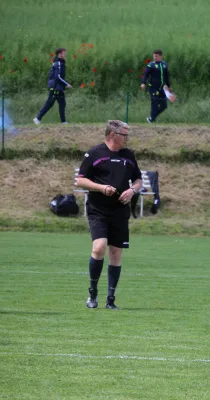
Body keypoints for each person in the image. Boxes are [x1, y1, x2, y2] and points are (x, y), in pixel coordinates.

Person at [76, 120, 143, 310]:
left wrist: (132, 190)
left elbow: (138, 179)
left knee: (115, 252)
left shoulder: (128, 155)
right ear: (113, 135)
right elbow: (81, 181)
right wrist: (101, 188)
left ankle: (111, 299)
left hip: (120, 210)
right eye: (125, 135)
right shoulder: (94, 153)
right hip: (98, 209)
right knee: (99, 248)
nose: (127, 138)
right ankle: (93, 292)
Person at [33, 48, 72, 125]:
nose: (65, 55)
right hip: (55, 87)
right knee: (50, 103)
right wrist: (66, 84)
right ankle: (37, 118)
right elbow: (57, 77)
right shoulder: (59, 64)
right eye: (64, 53)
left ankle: (63, 121)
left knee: (61, 103)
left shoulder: (59, 63)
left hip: (56, 86)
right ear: (59, 54)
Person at [141, 50, 173, 123]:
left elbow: (166, 76)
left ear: (160, 56)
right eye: (154, 56)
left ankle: (151, 118)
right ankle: (151, 119)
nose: (154, 57)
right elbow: (145, 74)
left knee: (164, 106)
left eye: (156, 56)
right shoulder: (150, 65)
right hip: (153, 87)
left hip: (162, 88)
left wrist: (169, 86)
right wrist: (143, 83)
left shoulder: (164, 64)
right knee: (155, 103)